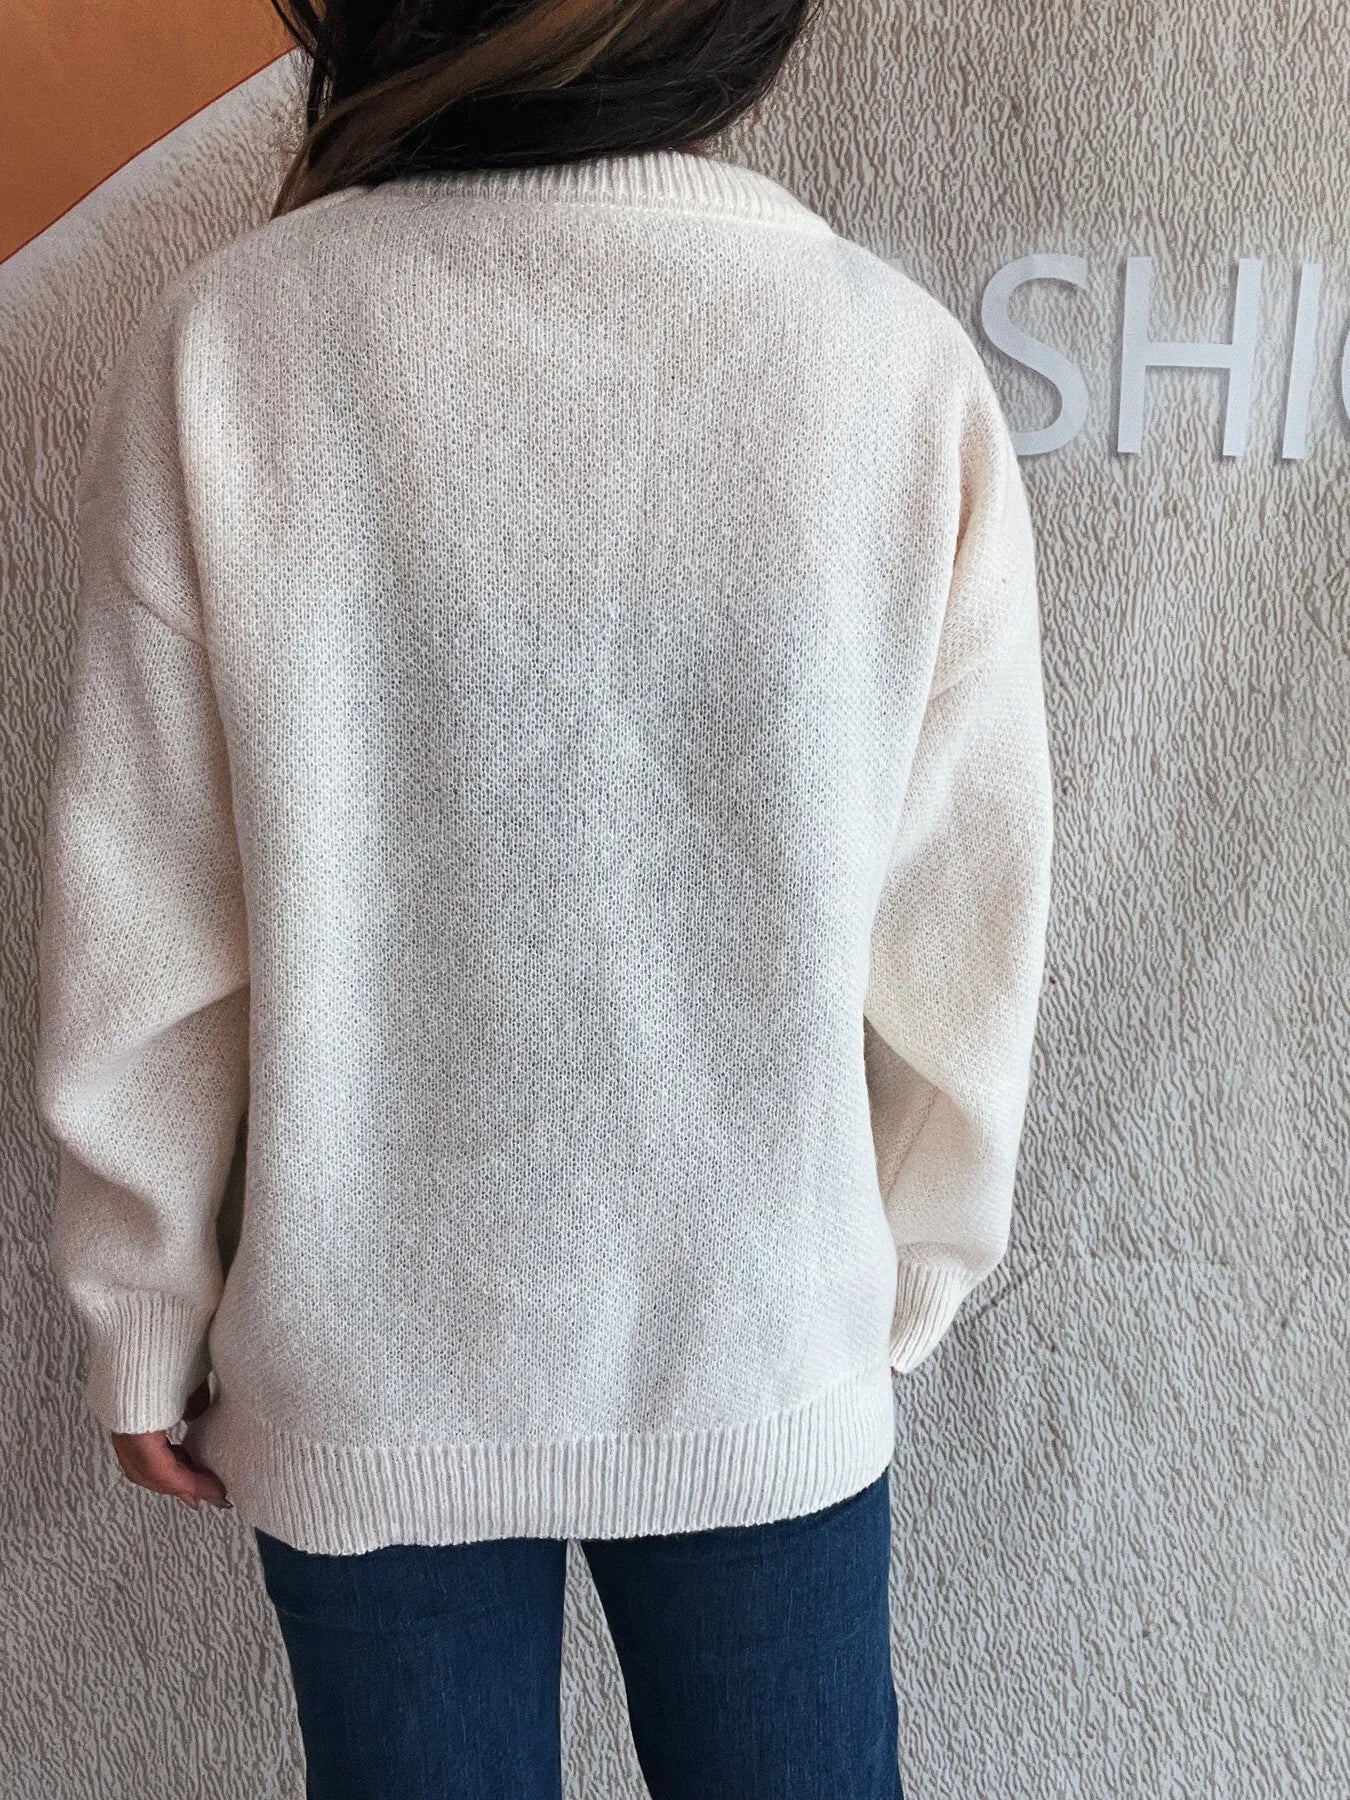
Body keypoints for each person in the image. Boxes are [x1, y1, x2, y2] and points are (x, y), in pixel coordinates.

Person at [32, 0, 1055, 1794]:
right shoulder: (882, 364)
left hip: (367, 1349)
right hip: (759, 1331)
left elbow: (150, 907)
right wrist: (899, 1277)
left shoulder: (240, 343)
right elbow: (962, 921)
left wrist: (144, 1298)